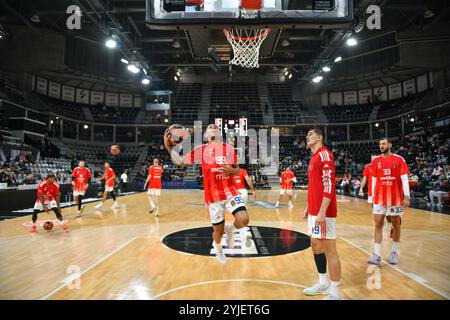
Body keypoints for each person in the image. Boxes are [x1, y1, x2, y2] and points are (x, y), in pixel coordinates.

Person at [163, 123, 251, 264]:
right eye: (210, 127)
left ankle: (231, 229)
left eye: (215, 127)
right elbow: (180, 161)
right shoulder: (201, 150)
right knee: (218, 231)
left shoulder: (228, 149)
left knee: (244, 220)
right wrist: (169, 148)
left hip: (229, 191)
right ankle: (219, 251)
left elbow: (237, 170)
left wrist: (232, 171)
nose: (213, 126)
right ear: (205, 135)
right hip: (213, 196)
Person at [302, 128, 341, 300]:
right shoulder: (313, 157)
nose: (307, 137)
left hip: (323, 212)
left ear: (319, 137)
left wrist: (322, 211)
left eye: (310, 134)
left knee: (330, 250)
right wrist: (308, 207)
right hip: (314, 210)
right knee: (316, 245)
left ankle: (335, 292)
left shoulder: (325, 155)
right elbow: (315, 186)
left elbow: (329, 185)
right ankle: (323, 282)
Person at [368, 138, 410, 266]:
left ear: (390, 145)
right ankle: (376, 255)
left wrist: (407, 196)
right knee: (378, 224)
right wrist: (371, 197)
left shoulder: (399, 159)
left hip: (395, 199)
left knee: (396, 224)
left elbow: (404, 179)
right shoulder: (375, 161)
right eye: (380, 143)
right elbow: (374, 181)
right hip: (380, 199)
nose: (381, 145)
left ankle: (394, 252)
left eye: (384, 143)